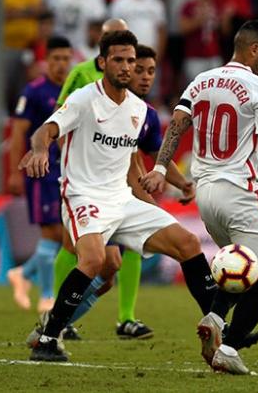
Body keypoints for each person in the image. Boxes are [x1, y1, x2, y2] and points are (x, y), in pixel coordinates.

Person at [22, 30, 218, 362]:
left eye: (131, 61)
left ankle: (218, 330)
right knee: (95, 260)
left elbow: (148, 156)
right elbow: (47, 130)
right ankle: (47, 338)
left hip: (122, 198)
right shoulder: (85, 99)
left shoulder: (140, 111)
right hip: (82, 196)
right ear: (103, 63)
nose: (127, 67)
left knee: (188, 243)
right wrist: (40, 150)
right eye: (119, 60)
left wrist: (180, 183)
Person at [141, 20, 258, 375]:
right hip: (240, 191)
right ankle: (228, 348)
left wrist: (159, 167)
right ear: (254, 50)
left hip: (206, 194)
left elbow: (176, 126)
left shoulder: (201, 80)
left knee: (240, 268)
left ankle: (215, 319)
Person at [51, 18, 172, 340]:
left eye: (130, 58)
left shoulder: (132, 88)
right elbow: (62, 117)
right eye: (112, 47)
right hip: (82, 181)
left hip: (118, 179)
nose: (127, 65)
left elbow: (136, 140)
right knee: (78, 250)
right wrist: (76, 165)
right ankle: (56, 315)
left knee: (118, 257)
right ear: (101, 49)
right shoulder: (82, 75)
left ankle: (126, 317)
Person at [6, 36, 73, 313]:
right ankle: (47, 297)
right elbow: (17, 133)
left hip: (65, 171)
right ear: (46, 61)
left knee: (62, 235)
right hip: (39, 171)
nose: (60, 65)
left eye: (65, 59)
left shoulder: (74, 91)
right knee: (52, 232)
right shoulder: (33, 92)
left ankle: (23, 273)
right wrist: (13, 174)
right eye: (55, 59)